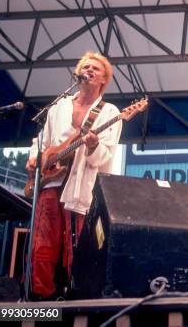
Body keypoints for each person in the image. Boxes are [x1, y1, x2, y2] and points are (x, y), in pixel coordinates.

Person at [25, 51, 122, 299]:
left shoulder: (110, 112)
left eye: (95, 69)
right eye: (85, 67)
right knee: (41, 245)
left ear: (104, 80)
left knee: (76, 249)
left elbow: (104, 156)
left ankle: (76, 300)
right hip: (50, 184)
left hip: (81, 189)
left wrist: (91, 145)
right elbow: (43, 141)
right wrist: (35, 158)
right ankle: (38, 301)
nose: (88, 71)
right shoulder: (59, 107)